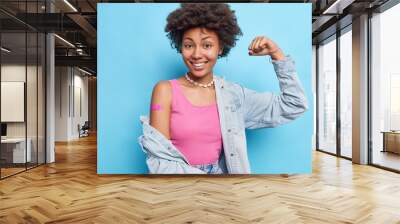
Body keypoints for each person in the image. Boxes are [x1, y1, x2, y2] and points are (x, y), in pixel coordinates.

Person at [138, 3, 308, 174]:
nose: (197, 54)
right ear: (180, 46)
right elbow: (160, 157)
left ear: (220, 48)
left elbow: (294, 104)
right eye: (189, 45)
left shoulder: (233, 96)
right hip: (178, 184)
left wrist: (277, 54)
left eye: (207, 45)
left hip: (223, 184)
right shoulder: (164, 90)